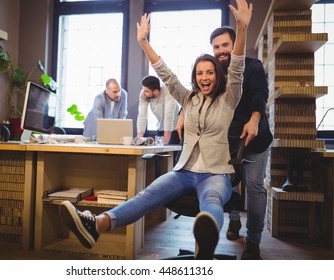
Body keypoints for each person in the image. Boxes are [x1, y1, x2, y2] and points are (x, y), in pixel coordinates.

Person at [58, 0, 252, 259]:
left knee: (212, 201)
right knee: (147, 194)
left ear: (217, 75)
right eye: (199, 74)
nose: (204, 77)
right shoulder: (188, 99)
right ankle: (97, 224)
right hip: (184, 172)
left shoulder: (229, 98)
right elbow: (166, 74)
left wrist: (242, 27)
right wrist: (143, 42)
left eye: (210, 73)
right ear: (195, 78)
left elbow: (237, 67)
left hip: (216, 172)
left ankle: (206, 242)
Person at [176, 26, 273, 259]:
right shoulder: (214, 70)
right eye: (216, 47)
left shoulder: (252, 66)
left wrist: (255, 119)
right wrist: (182, 114)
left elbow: (260, 94)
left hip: (254, 137)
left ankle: (253, 242)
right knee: (227, 184)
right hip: (225, 141)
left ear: (234, 45)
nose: (221, 51)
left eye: (225, 45)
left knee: (254, 188)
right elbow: (195, 94)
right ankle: (233, 222)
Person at [137, 75, 180, 145]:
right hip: (160, 127)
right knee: (158, 154)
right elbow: (142, 116)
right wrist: (139, 139)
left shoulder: (168, 92)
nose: (144, 93)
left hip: (174, 128)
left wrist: (165, 142)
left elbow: (168, 115)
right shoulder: (143, 94)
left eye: (146, 91)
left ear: (156, 91)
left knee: (169, 152)